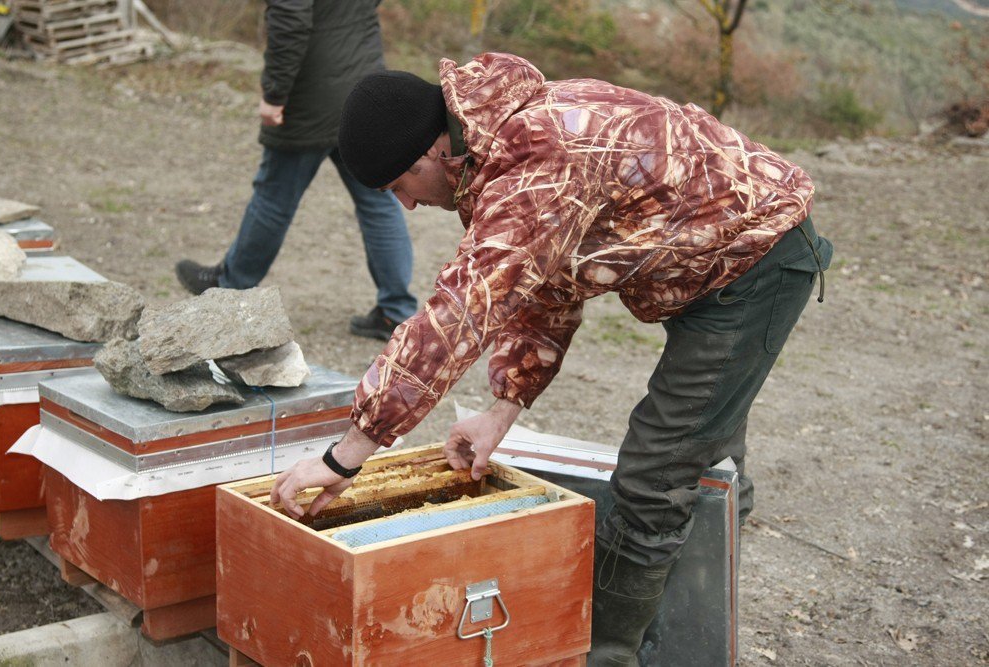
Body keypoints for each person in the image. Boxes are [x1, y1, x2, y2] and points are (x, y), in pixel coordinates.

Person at [271, 53, 833, 664]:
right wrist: (502, 408)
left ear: (429, 155)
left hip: (756, 262)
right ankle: (702, 587)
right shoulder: (496, 145)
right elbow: (547, 284)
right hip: (700, 262)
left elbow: (459, 313)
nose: (404, 206)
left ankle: (606, 654)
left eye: (397, 188)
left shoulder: (538, 156)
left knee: (653, 476)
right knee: (701, 442)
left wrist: (344, 457)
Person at [175, 0, 417, 341]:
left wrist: (275, 92)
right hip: (364, 80)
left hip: (311, 92)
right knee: (377, 198)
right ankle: (396, 311)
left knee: (274, 195)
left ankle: (230, 287)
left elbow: (290, 17)